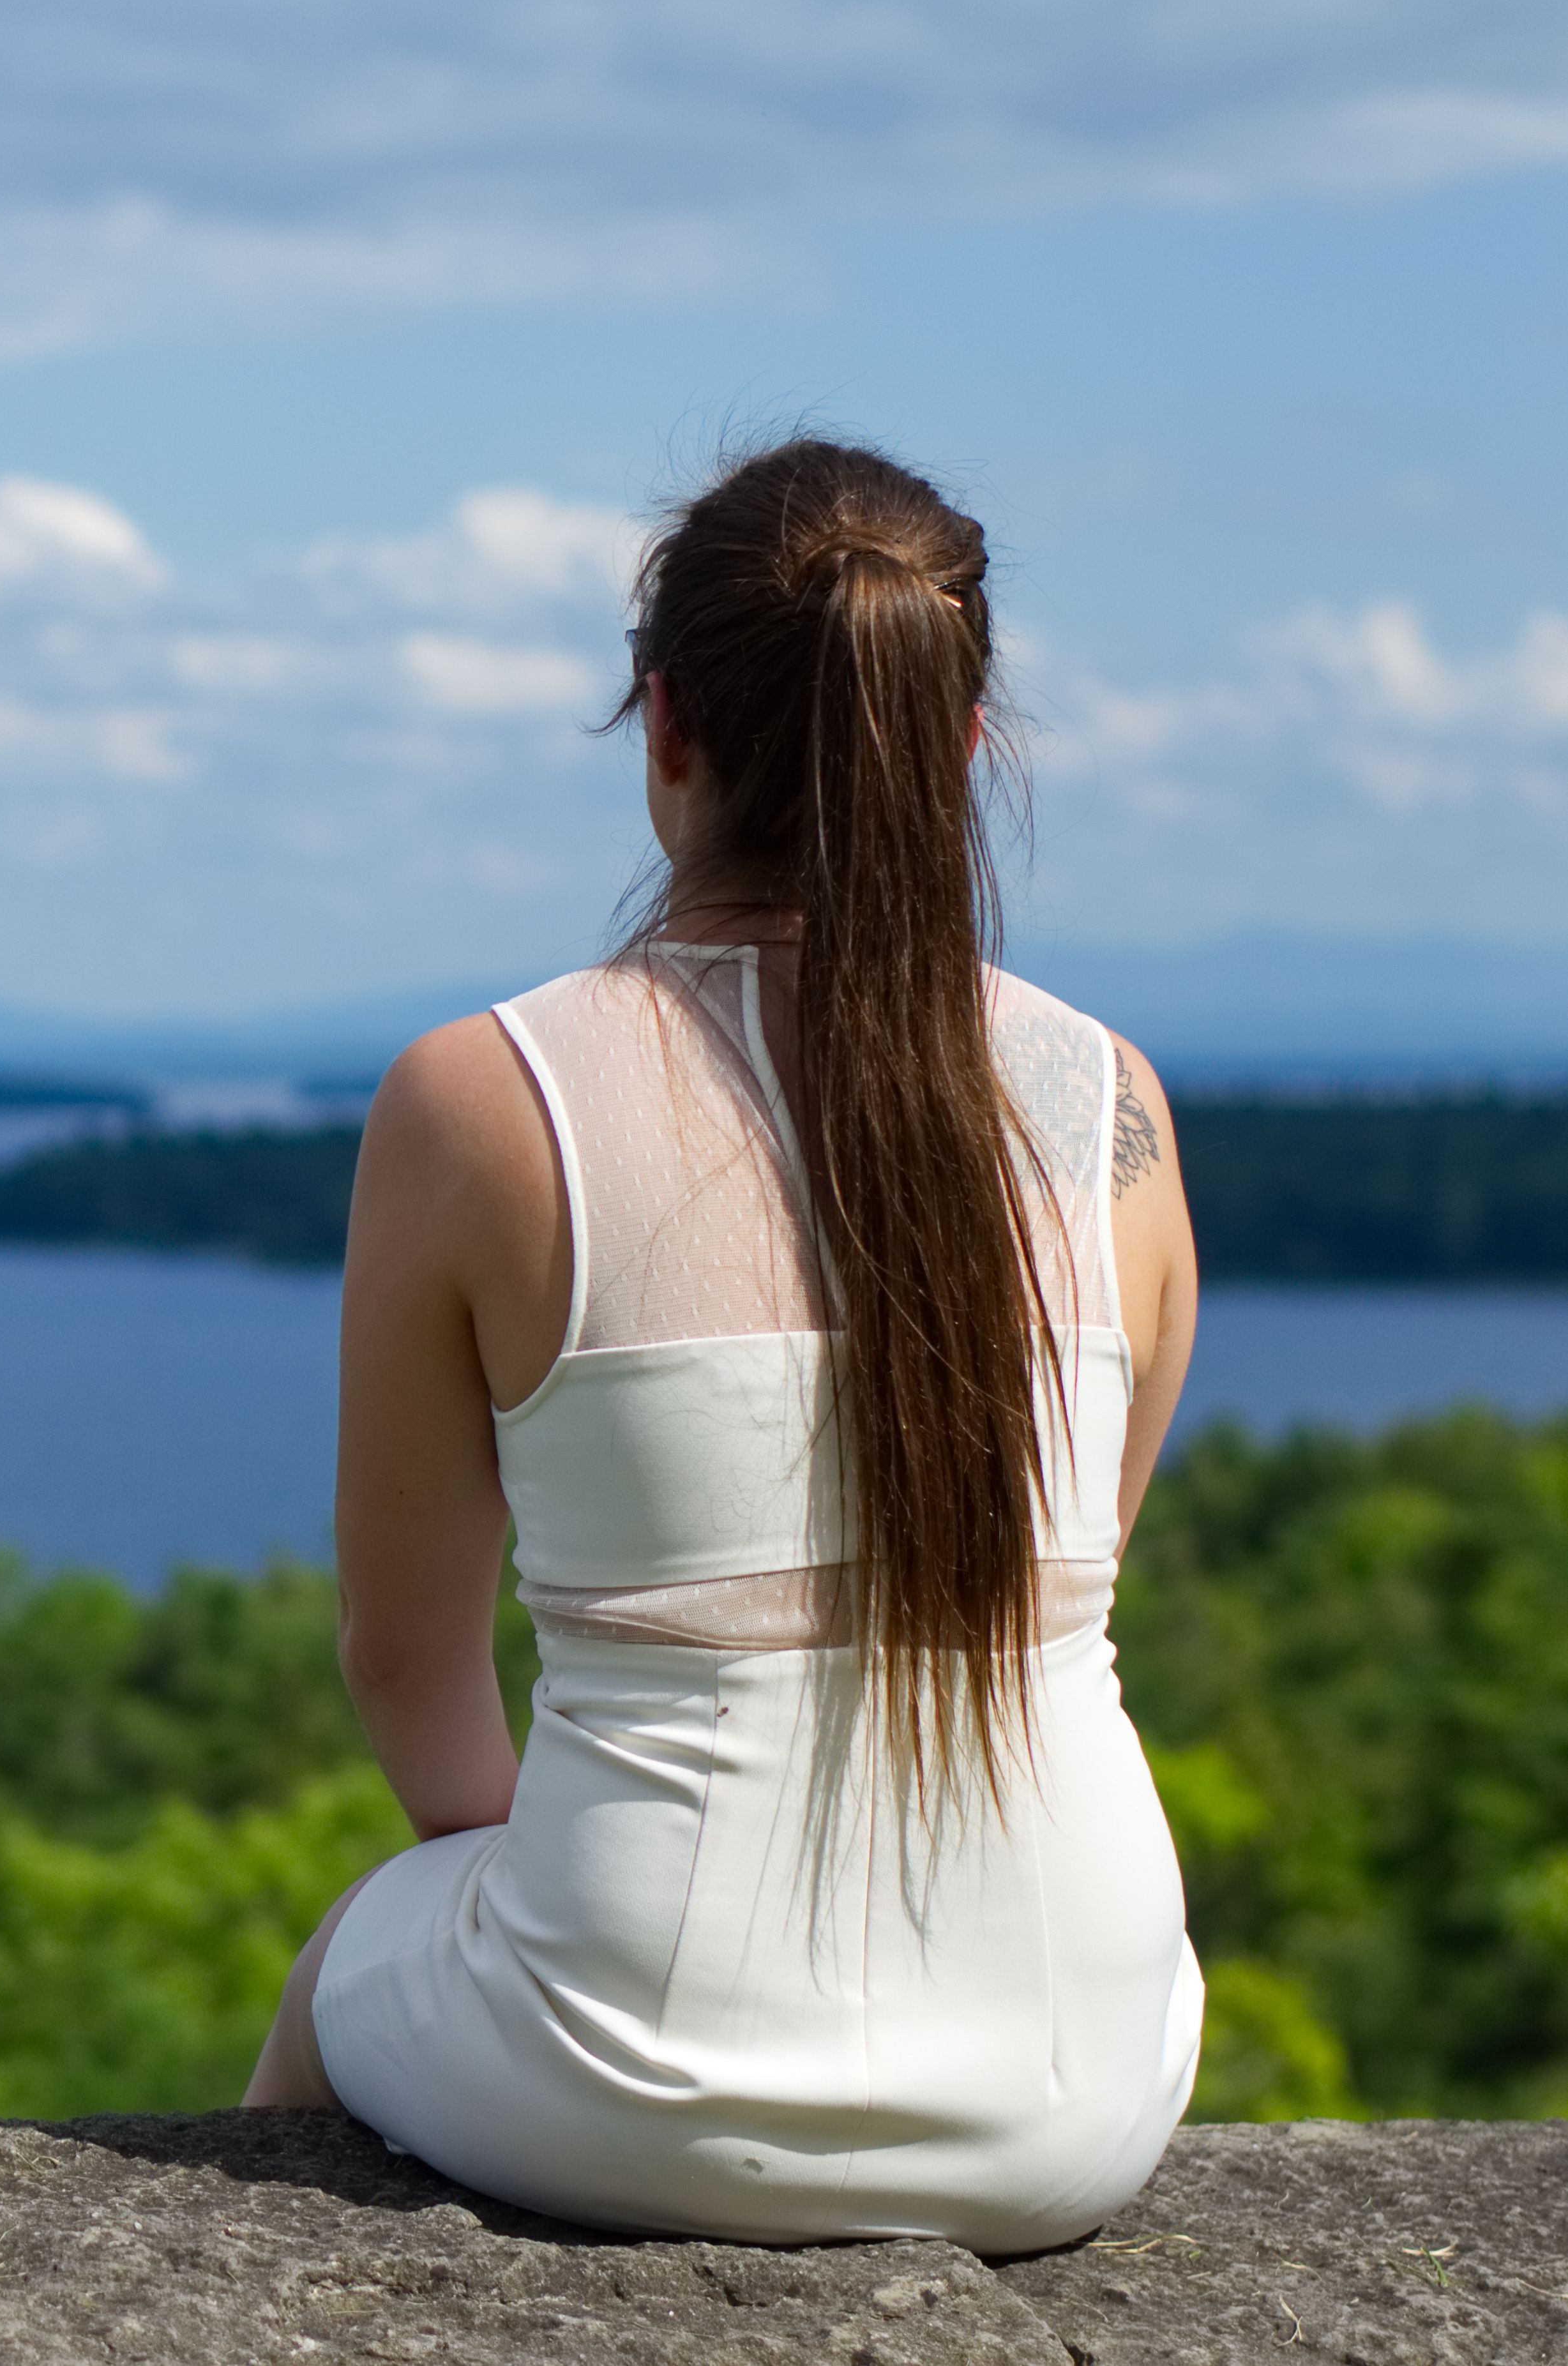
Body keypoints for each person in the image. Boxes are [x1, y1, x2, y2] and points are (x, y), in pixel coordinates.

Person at [240, 437, 1204, 2252]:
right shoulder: (1110, 1114)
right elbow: (1044, 1595)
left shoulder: (481, 1102)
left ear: (662, 727)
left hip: (639, 2054)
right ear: (962, 743)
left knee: (354, 1954)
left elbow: (399, 1653)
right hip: (1083, 2076)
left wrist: (511, 1860)